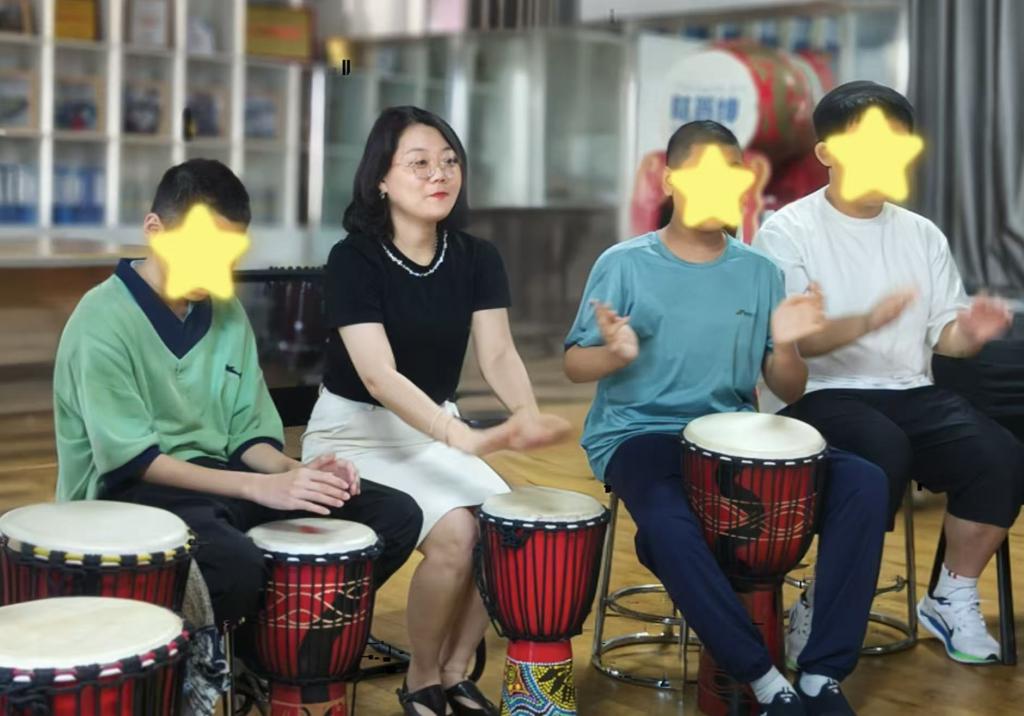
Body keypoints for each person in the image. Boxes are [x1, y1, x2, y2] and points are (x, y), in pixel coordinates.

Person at [564, 120, 888, 716]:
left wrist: (786, 344)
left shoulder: (759, 271)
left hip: (736, 439)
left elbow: (788, 387)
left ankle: (821, 673)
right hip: (640, 435)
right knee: (667, 527)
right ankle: (765, 680)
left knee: (864, 483)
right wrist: (615, 353)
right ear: (671, 180)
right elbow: (574, 364)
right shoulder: (624, 263)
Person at [53, 158, 423, 640]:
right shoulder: (100, 319)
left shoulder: (226, 312)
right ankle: (225, 654)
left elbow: (247, 436)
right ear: (154, 230)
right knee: (233, 564)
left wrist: (296, 473)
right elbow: (134, 461)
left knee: (394, 515)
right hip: (130, 493)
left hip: (222, 484)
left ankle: (283, 649)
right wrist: (258, 488)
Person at [300, 106, 570, 716]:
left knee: (510, 530)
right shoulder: (353, 259)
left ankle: (454, 670)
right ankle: (420, 677)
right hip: (356, 436)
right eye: (418, 163)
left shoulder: (477, 256)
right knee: (456, 534)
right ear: (381, 180)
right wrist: (456, 432)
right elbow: (378, 375)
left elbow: (498, 353)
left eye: (449, 161)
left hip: (431, 432)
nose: (438, 174)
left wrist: (525, 413)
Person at [753, 81, 1022, 666]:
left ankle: (950, 594)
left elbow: (945, 339)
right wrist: (868, 320)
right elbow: (797, 339)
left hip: (909, 391)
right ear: (826, 152)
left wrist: (971, 334)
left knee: (998, 455)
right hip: (818, 393)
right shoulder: (786, 231)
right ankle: (825, 596)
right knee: (880, 452)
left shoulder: (921, 233)